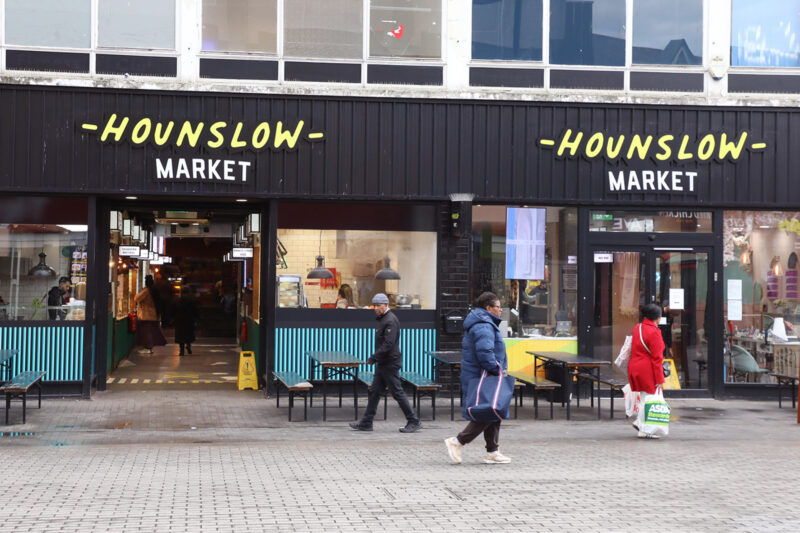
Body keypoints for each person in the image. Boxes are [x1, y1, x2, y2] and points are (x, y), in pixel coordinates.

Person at [444, 292, 511, 464]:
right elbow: (485, 352)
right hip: (483, 374)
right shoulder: (484, 325)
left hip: (482, 373)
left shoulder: (484, 323)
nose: (500, 310)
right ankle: (458, 441)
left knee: (495, 410)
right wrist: (496, 369)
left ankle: (492, 451)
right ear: (489, 308)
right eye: (498, 307)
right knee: (487, 413)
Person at [349, 293, 422, 433]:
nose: (376, 308)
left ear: (386, 305)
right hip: (383, 363)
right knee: (375, 392)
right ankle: (366, 422)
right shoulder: (384, 319)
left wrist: (373, 357)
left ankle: (413, 420)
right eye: (374, 306)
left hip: (390, 363)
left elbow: (388, 344)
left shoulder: (390, 321)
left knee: (397, 393)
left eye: (378, 305)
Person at [628, 303, 667, 438]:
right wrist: (660, 379)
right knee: (648, 399)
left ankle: (640, 422)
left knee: (645, 397)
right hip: (647, 369)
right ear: (657, 318)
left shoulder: (637, 328)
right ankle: (645, 430)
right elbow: (657, 358)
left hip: (635, 367)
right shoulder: (655, 332)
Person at [134, 275, 167, 354]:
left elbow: (137, 298)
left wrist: (142, 290)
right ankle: (150, 347)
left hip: (146, 315)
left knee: (146, 332)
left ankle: (148, 348)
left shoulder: (147, 291)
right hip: (154, 314)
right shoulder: (155, 290)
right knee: (152, 332)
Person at [174, 286, 199, 357]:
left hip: (179, 320)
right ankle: (188, 346)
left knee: (180, 335)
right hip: (189, 319)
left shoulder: (177, 300)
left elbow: (174, 310)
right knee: (188, 334)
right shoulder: (192, 300)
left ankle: (181, 350)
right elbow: (195, 311)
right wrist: (196, 318)